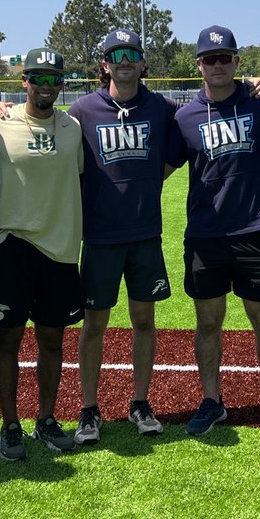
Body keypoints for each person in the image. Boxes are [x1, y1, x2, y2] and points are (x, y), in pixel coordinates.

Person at [168, 25, 260, 437]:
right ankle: (212, 400)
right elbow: (164, 166)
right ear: (198, 65)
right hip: (205, 234)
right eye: (210, 59)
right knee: (208, 321)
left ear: (237, 62)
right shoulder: (184, 116)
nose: (218, 65)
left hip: (253, 230)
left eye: (225, 58)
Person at [66, 29, 179, 443]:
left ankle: (140, 402)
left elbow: (176, 155)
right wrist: (2, 109)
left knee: (144, 320)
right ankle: (89, 409)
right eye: (116, 54)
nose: (124, 60)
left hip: (144, 234)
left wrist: (148, 184)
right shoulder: (82, 109)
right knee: (94, 324)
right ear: (105, 63)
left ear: (143, 62)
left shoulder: (162, 108)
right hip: (99, 237)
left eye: (132, 53)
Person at [0, 48, 84, 459]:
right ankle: (9, 425)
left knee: (52, 340)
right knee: (8, 339)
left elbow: (79, 175)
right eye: (37, 77)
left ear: (61, 84)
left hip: (60, 248)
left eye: (53, 78)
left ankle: (46, 419)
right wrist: (14, 193)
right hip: (12, 244)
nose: (45, 85)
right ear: (24, 81)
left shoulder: (72, 128)